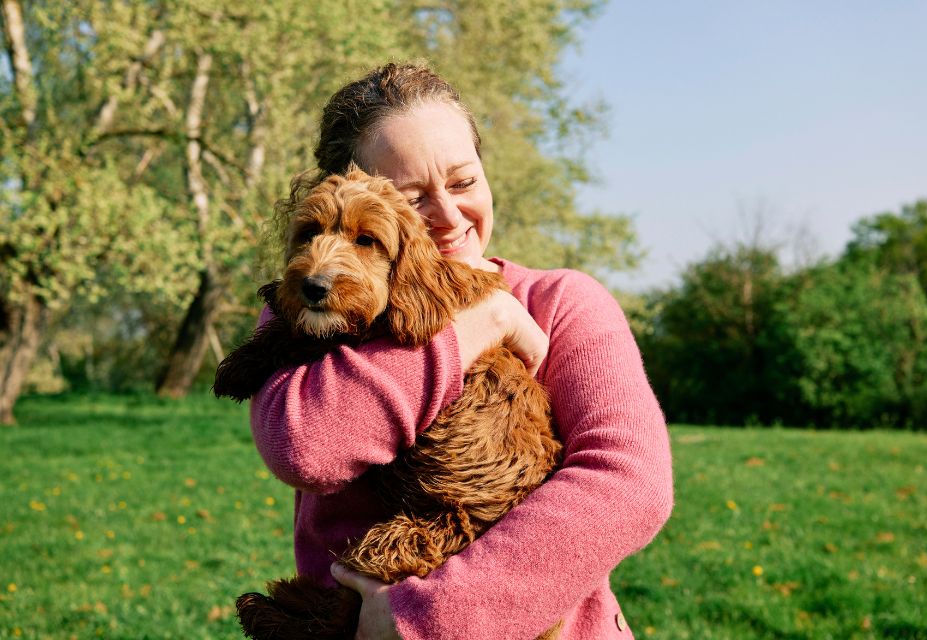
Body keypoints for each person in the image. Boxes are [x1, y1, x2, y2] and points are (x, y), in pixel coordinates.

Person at [250, 62, 673, 640]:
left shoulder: (560, 301)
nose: (448, 217)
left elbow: (630, 482)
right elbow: (306, 446)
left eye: (463, 181)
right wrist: (479, 324)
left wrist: (428, 618)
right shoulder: (312, 307)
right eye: (411, 197)